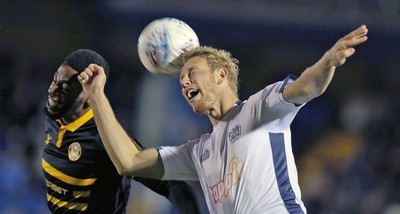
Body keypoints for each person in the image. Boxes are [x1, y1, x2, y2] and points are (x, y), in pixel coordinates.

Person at [78, 25, 368, 213]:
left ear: (221, 75)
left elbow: (307, 87)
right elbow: (129, 162)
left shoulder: (258, 109)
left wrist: (327, 61)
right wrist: (97, 97)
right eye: (181, 79)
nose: (184, 82)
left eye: (192, 72)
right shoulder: (197, 152)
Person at [41, 49, 203, 213]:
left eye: (65, 86)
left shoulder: (104, 140)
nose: (53, 89)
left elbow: (171, 185)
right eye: (55, 80)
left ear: (88, 94)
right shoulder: (52, 121)